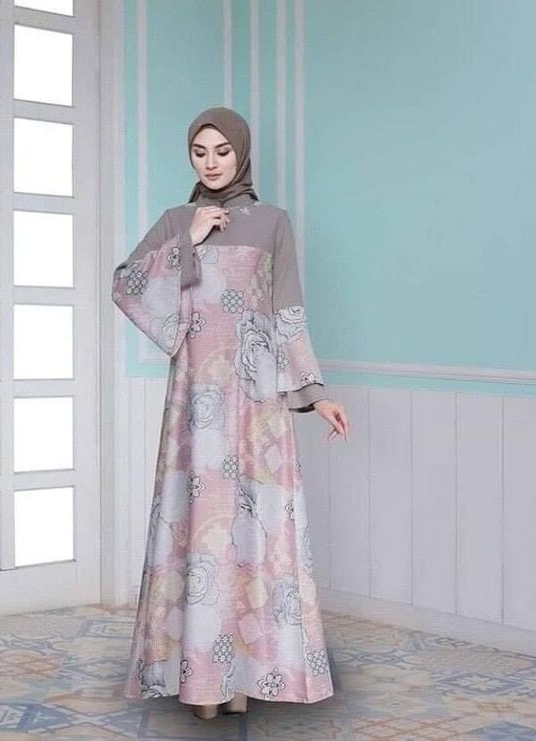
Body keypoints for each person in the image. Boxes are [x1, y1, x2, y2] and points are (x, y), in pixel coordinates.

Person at [111, 106, 349, 719]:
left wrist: (316, 392)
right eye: (200, 152)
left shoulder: (272, 223)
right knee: (202, 531)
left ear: (241, 152)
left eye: (222, 151)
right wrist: (185, 243)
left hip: (258, 402)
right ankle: (202, 682)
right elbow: (126, 286)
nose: (211, 163)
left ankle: (244, 677)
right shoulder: (176, 220)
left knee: (252, 533)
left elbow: (287, 311)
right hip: (196, 402)